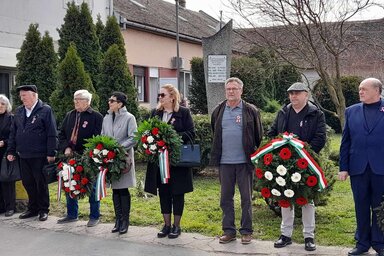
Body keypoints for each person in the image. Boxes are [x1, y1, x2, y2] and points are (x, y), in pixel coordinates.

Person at [267, 82, 326, 251]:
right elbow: (272, 133)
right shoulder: (283, 112)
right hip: (284, 164)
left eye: (297, 93)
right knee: (285, 199)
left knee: (307, 200)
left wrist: (304, 153)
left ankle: (309, 236)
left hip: (306, 162)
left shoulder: (316, 114)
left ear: (306, 95)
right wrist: (279, 152)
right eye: (291, 93)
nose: (293, 96)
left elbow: (320, 138)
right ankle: (285, 235)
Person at [210, 77, 263, 245]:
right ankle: (229, 231)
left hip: (244, 163)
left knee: (246, 198)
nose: (231, 91)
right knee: (226, 198)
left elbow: (258, 135)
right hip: (225, 162)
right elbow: (215, 131)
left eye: (234, 89)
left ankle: (246, 231)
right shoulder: (218, 110)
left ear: (241, 90)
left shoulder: (250, 110)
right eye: (228, 89)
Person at [339, 78, 384, 256]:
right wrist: (343, 167)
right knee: (361, 206)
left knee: (380, 207)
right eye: (359, 89)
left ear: (377, 90)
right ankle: (362, 243)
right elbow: (345, 141)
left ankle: (380, 243)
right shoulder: (351, 111)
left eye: (364, 89)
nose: (360, 92)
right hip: (358, 168)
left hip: (381, 168)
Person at [144, 84, 195, 239]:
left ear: (172, 97)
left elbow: (191, 133)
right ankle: (166, 225)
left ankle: (176, 226)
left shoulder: (183, 112)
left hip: (176, 161)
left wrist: (171, 138)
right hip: (159, 161)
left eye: (162, 95)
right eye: (159, 95)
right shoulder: (155, 113)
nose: (159, 97)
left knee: (177, 192)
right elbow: (147, 132)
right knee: (164, 192)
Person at [7, 84, 58, 221]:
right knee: (28, 182)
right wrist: (11, 150)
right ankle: (33, 208)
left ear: (34, 95)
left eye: (24, 95)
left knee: (40, 183)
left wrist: (51, 152)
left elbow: (52, 133)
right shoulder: (19, 111)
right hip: (23, 154)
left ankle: (43, 209)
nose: (21, 98)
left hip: (40, 155)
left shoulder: (45, 110)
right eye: (21, 95)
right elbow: (13, 133)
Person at [57, 89, 103, 227]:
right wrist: (66, 147)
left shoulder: (96, 116)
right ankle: (72, 214)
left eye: (79, 99)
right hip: (70, 155)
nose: (76, 101)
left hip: (88, 156)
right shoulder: (70, 115)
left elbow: (98, 137)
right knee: (69, 182)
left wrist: (88, 153)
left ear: (88, 101)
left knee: (92, 186)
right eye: (75, 99)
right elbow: (61, 133)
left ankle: (94, 215)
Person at [101, 92, 137, 234]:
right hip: (110, 158)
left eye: (112, 100)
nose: (109, 102)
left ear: (120, 103)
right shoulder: (107, 118)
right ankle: (118, 219)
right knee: (115, 189)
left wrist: (118, 148)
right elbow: (103, 135)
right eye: (109, 100)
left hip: (123, 158)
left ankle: (125, 221)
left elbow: (134, 137)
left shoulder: (129, 118)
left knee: (123, 188)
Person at [0, 95, 15, 217]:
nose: (0, 106)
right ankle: (1, 207)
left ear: (7, 106)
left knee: (7, 180)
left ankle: (10, 207)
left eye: (2, 104)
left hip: (6, 152)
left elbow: (13, 135)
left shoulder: (11, 118)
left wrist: (4, 142)